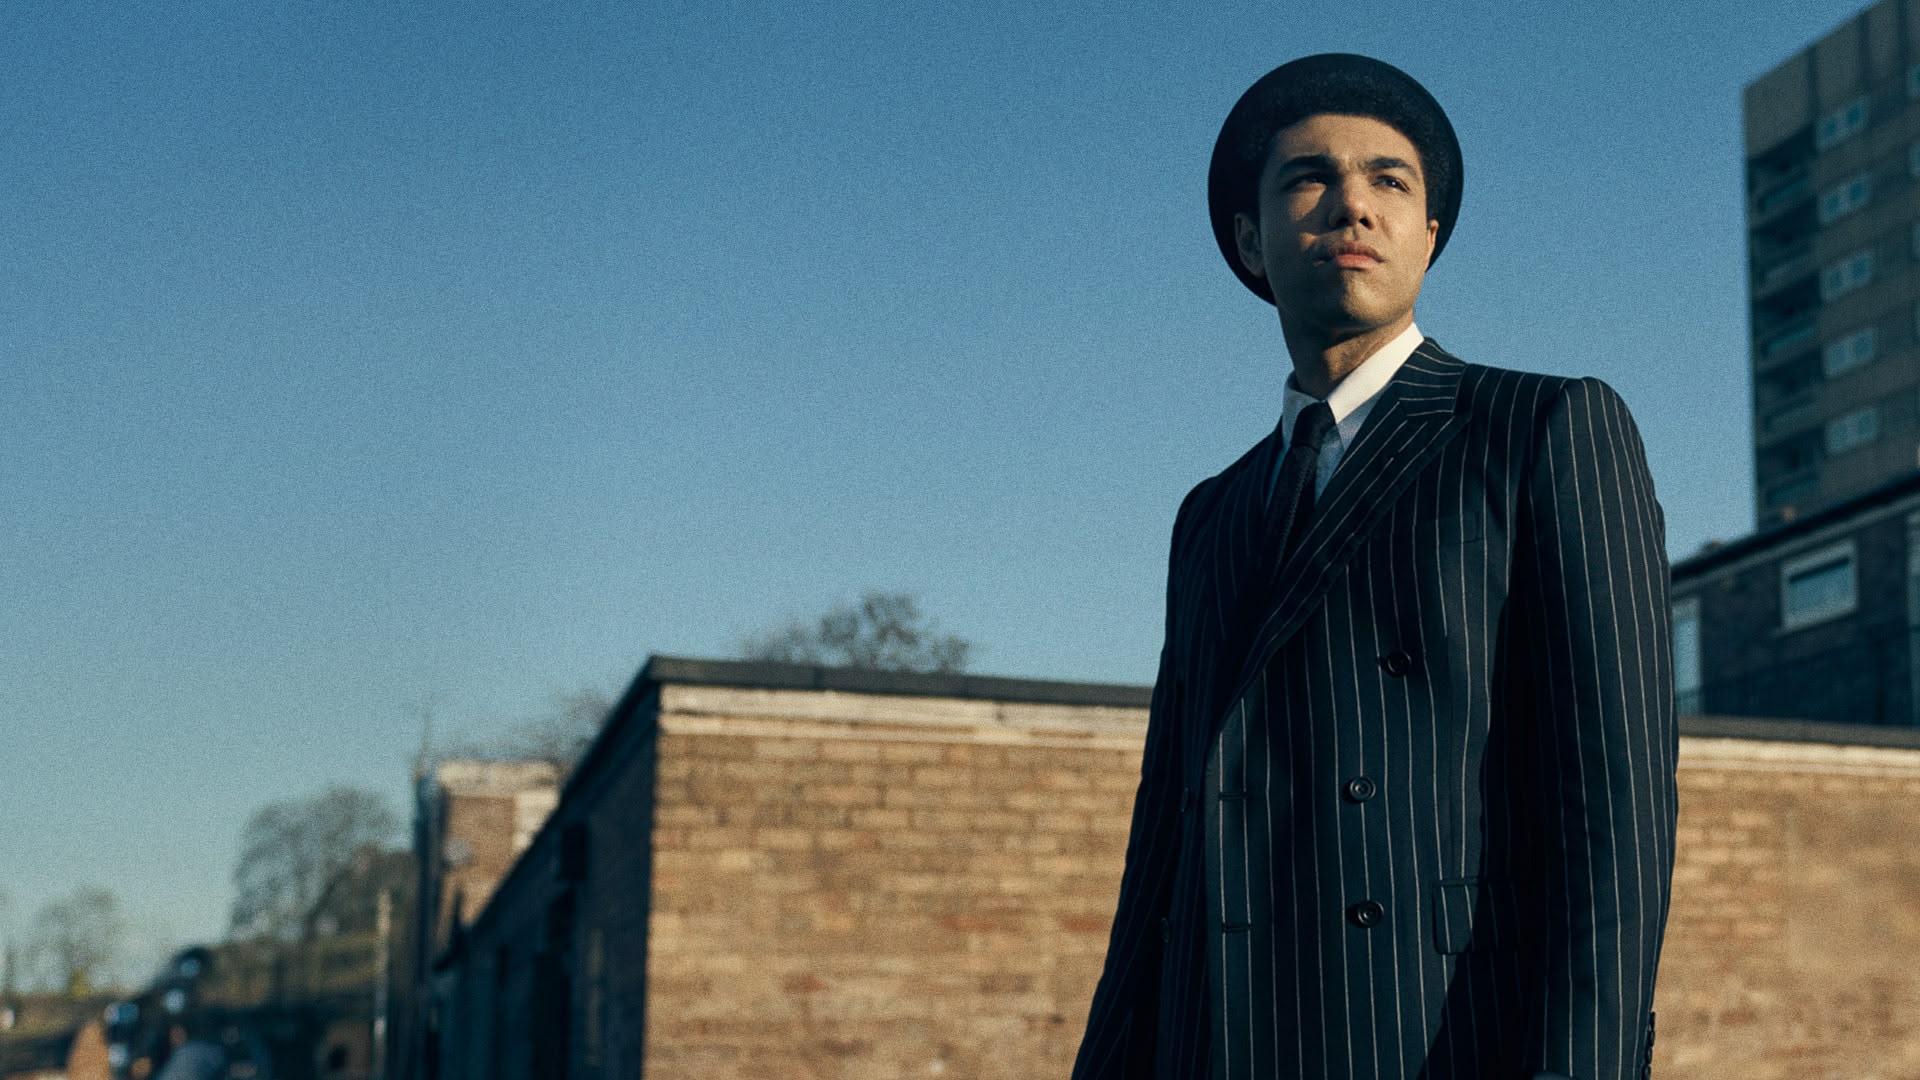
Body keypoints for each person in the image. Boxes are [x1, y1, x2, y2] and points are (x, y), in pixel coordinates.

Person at [1071, 54, 1676, 1080]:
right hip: (1214, 1044)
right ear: (1250, 241)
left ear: (1428, 235)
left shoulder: (1540, 427)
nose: (1352, 203)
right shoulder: (1211, 512)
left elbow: (1616, 818)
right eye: (1309, 178)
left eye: (1389, 180)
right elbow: (1163, 845)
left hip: (1432, 1037)